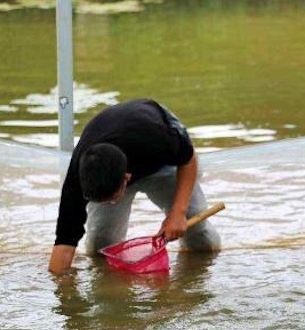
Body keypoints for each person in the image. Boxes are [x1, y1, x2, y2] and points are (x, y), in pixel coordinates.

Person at [48, 99, 221, 275]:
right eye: (101, 201)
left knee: (197, 235)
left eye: (111, 200)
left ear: (127, 178)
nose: (108, 205)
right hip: (117, 155)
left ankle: (199, 272)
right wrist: (60, 283)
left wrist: (178, 212)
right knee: (101, 245)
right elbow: (64, 240)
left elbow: (188, 160)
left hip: (161, 160)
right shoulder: (78, 178)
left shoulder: (158, 138)